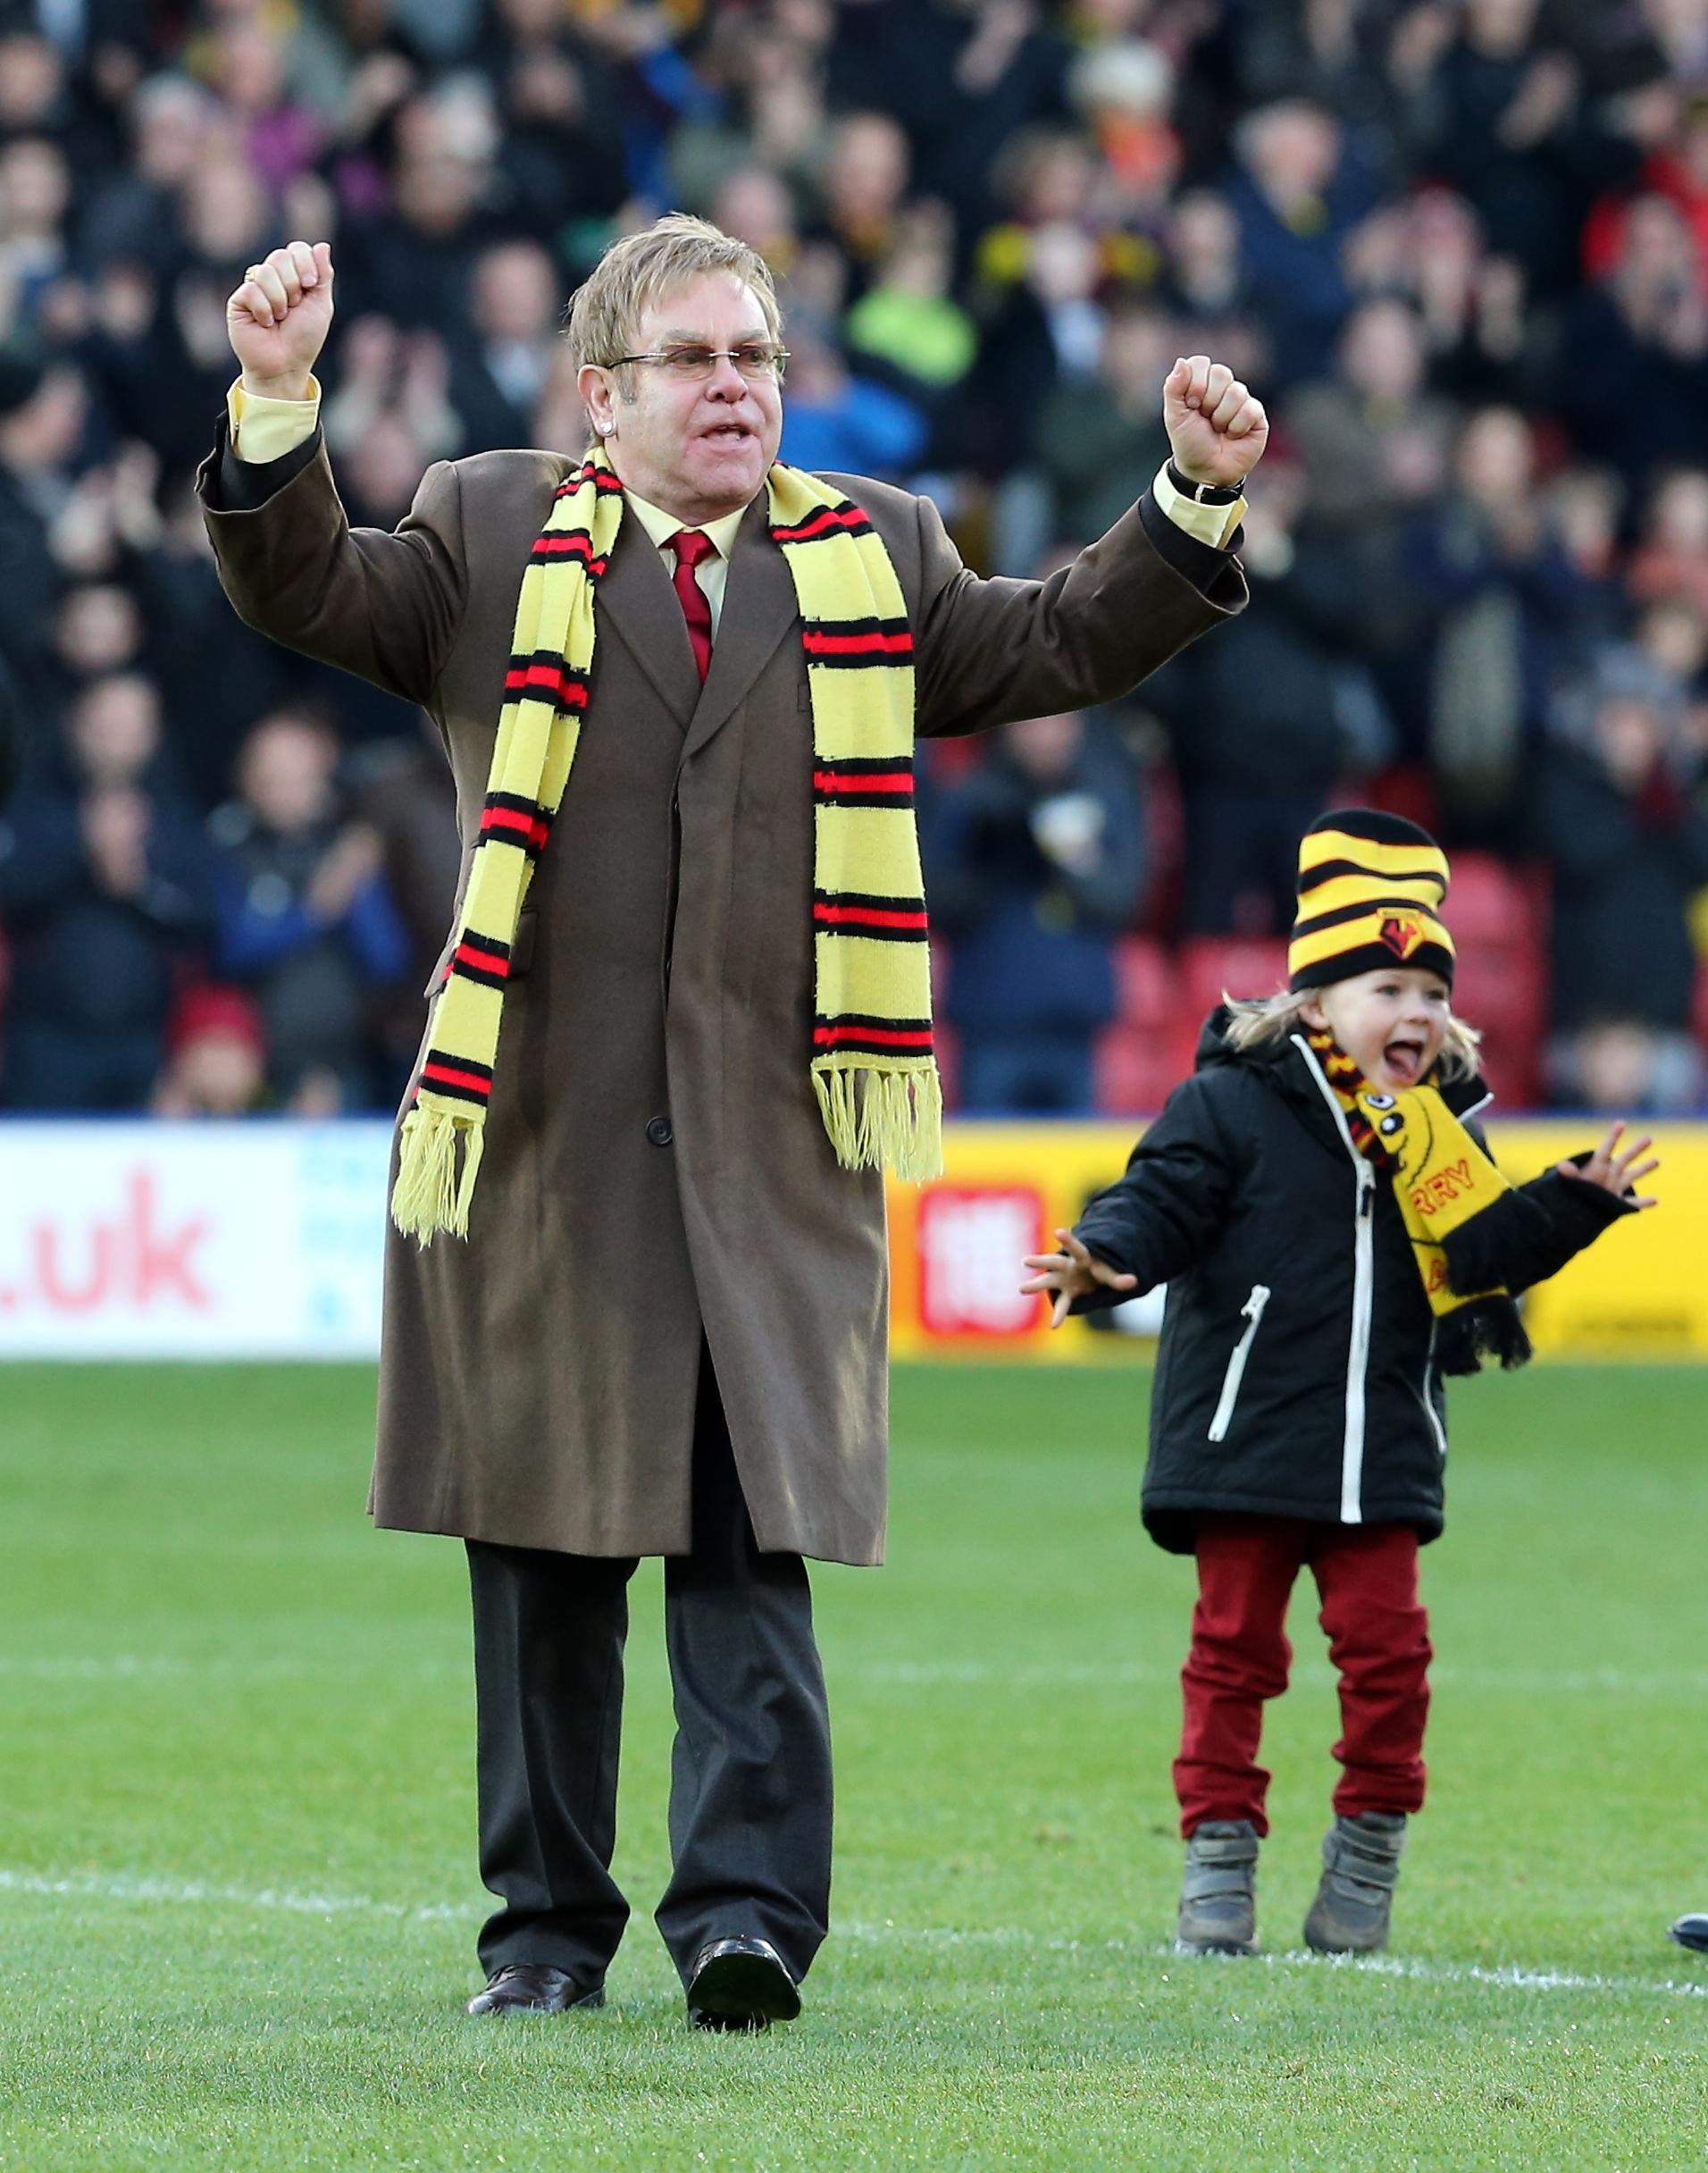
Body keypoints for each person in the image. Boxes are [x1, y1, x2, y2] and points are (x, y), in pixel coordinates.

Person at [197, 214, 1265, 2028]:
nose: (733, 389)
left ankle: (745, 1920)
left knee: (742, 1544)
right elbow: (305, 590)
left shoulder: (875, 548)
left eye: (755, 356)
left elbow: (1055, 642)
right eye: (690, 359)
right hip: (542, 1139)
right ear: (599, 393)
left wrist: (1191, 497)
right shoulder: (482, 524)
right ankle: (544, 1933)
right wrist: (278, 401)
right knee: (541, 1555)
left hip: (770, 1147)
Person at [1022, 810, 1655, 1959]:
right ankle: (1218, 1860)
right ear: (1315, 1002)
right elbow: (1159, 1197)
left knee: (1391, 1661)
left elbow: (1484, 1254)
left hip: (1383, 1449)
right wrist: (1106, 1252)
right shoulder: (1227, 1104)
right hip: (1246, 1443)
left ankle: (1366, 1849)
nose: (1416, 1011)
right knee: (1232, 1657)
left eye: (1431, 991)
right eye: (1387, 987)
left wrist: (1572, 1204)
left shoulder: (1441, 1131)